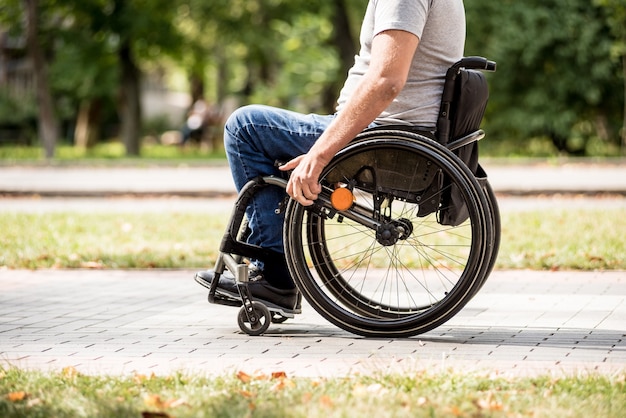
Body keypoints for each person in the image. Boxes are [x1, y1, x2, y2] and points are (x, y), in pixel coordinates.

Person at [195, 0, 467, 311]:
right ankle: (273, 273)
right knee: (266, 136)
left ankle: (274, 276)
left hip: (382, 138)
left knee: (245, 126)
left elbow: (386, 81)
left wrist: (320, 155)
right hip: (396, 135)